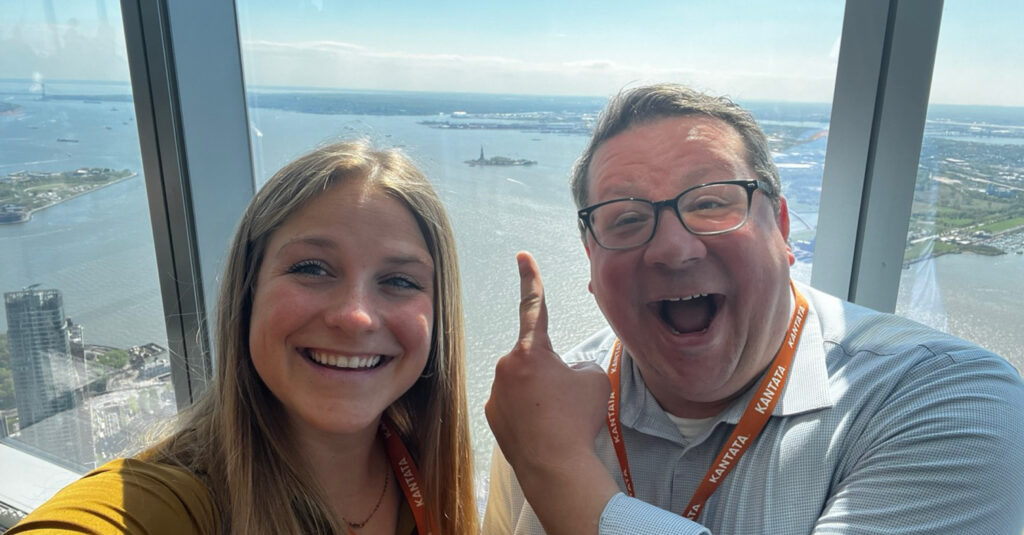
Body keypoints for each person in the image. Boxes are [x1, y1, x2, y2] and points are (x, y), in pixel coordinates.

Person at [483, 84, 1024, 534]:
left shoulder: (950, 399)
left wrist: (557, 471)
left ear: (782, 229)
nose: (673, 249)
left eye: (712, 202)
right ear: (591, 259)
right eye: (625, 219)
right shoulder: (546, 401)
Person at [8, 141, 477, 535]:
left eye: (399, 281)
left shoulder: (429, 471)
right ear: (248, 293)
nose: (355, 317)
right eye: (311, 268)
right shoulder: (171, 501)